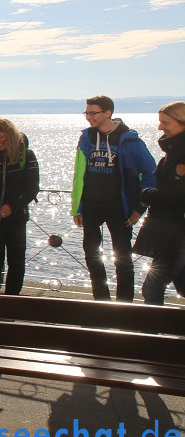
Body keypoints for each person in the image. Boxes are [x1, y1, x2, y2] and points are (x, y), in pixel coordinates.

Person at [71, 95, 156, 302]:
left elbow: (151, 172)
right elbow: (79, 174)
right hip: (91, 206)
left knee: (123, 258)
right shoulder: (86, 138)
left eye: (93, 113)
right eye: (86, 113)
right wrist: (77, 208)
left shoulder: (129, 139)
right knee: (92, 256)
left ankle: (124, 305)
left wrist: (139, 208)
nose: (88, 117)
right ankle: (101, 301)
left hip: (119, 207)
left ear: (108, 112)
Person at [0, 119, 40, 295]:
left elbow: (33, 187)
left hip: (17, 214)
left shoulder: (27, 155)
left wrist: (12, 206)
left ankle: (11, 299)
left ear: (10, 135)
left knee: (16, 258)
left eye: (1, 136)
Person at [138, 102, 185, 305]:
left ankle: (151, 335)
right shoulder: (173, 154)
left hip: (176, 233)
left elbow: (172, 196)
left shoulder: (180, 157)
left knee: (152, 287)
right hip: (171, 231)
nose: (160, 127)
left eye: (165, 122)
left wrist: (142, 193)